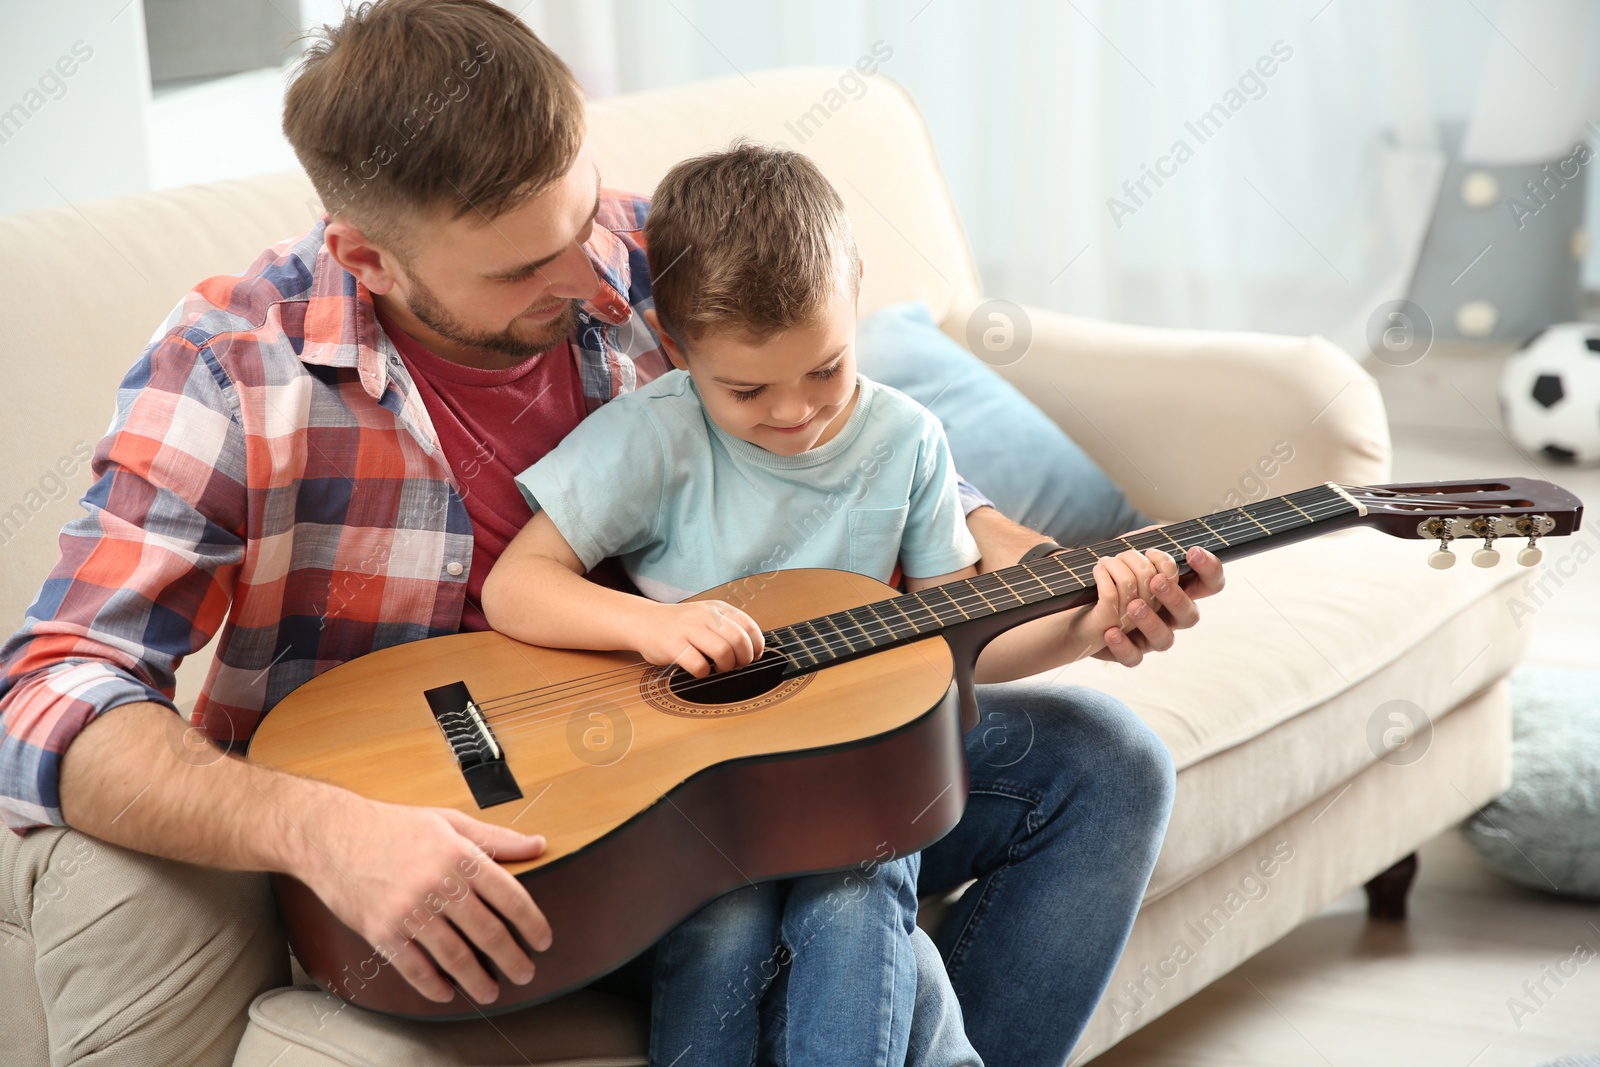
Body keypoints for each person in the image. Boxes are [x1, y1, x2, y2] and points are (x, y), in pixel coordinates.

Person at [0, 2, 1222, 1065]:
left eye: (584, 217)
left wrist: (1064, 585)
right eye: (524, 266)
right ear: (365, 255)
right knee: (810, 923)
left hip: (717, 741)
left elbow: (880, 473)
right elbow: (51, 692)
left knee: (1103, 766)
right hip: (494, 819)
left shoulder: (655, 255)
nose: (595, 276)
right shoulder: (231, 371)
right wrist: (324, 829)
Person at [479, 142, 1167, 1067]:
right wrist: (657, 625)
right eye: (748, 388)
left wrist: (1089, 623)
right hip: (700, 792)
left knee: (865, 872)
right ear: (679, 351)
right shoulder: (655, 437)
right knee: (723, 927)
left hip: (855, 771)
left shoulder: (908, 440)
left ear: (855, 302)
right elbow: (516, 585)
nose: (797, 412)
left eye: (828, 369)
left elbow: (955, 643)